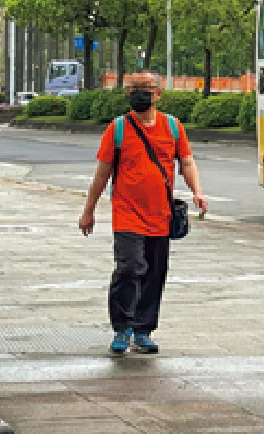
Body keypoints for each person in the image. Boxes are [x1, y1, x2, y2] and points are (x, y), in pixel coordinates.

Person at [79, 71, 209, 355]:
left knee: (154, 273)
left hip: (160, 216)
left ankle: (143, 329)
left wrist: (197, 191)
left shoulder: (172, 127)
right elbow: (102, 173)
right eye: (133, 89)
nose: (139, 93)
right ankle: (122, 327)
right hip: (127, 215)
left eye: (145, 88)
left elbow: (186, 162)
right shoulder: (119, 128)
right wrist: (88, 211)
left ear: (158, 93)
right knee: (129, 268)